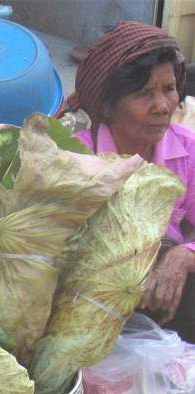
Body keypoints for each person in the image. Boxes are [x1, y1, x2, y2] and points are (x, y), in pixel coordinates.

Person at [67, 21, 195, 343]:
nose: (163, 107)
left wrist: (183, 255)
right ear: (108, 105)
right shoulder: (77, 157)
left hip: (167, 297)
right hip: (91, 302)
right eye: (144, 94)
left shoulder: (188, 151)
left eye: (168, 89)